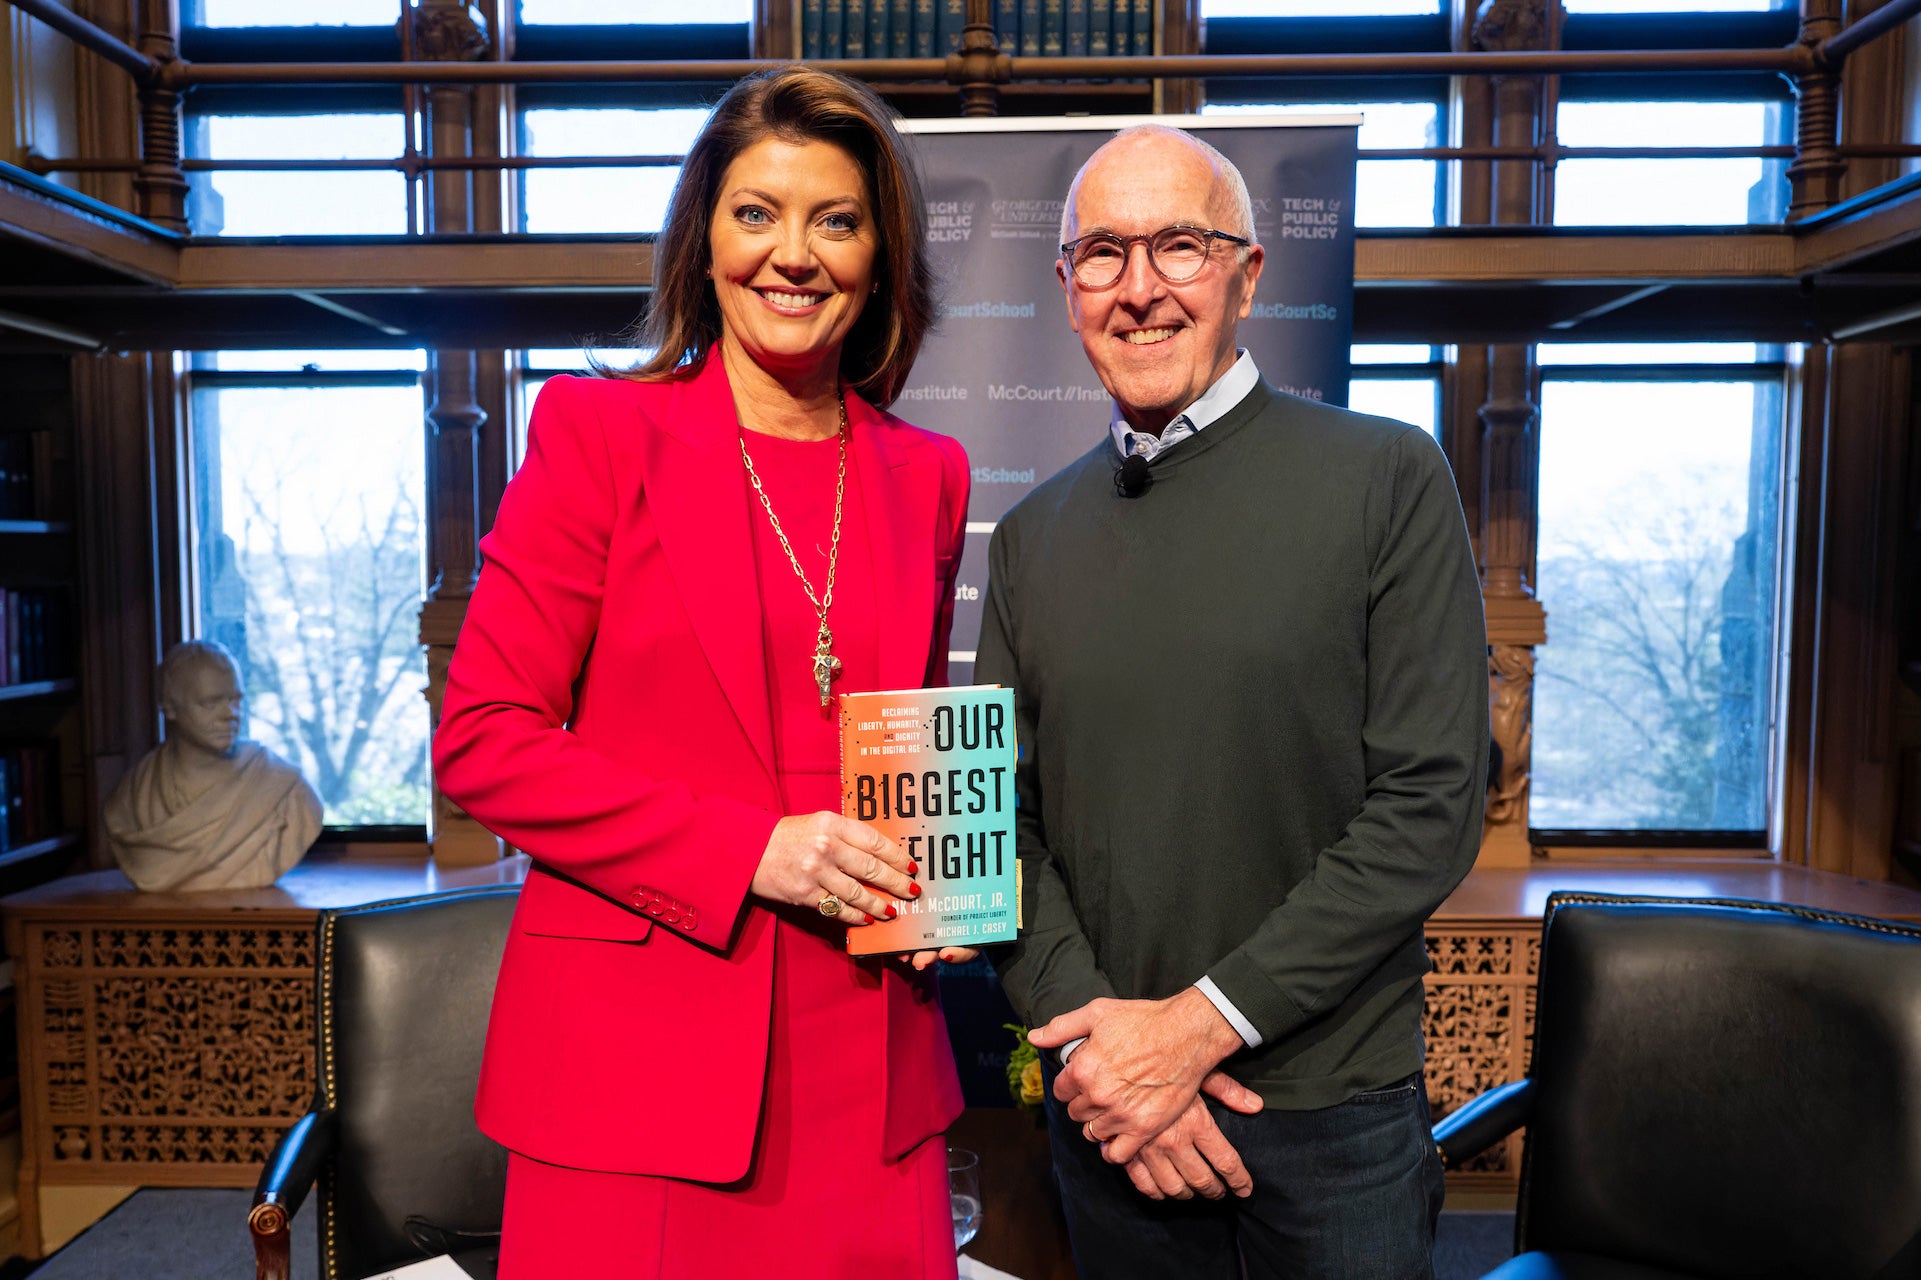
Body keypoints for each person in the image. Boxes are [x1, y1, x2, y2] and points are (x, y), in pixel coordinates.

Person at [433, 66, 973, 1279]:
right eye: (755, 213)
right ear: (704, 239)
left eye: (835, 219)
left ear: (881, 257)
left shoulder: (926, 472)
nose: (794, 254)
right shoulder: (597, 435)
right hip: (639, 1067)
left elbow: (905, 740)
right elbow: (483, 736)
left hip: (868, 1065)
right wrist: (749, 849)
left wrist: (946, 887)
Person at [976, 124, 1487, 1279]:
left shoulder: (1387, 478)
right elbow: (995, 825)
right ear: (1065, 289)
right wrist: (1110, 1058)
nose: (1140, 286)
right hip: (1108, 1115)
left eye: (1180, 246)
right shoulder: (1029, 537)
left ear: (1248, 273)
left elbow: (1430, 803)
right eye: (1103, 252)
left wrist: (1195, 1028)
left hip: (1328, 1116)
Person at [103, 639, 321, 892]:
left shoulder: (285, 788)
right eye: (211, 702)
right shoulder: (130, 799)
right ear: (170, 708)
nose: (230, 714)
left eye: (235, 700)